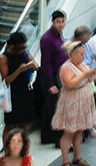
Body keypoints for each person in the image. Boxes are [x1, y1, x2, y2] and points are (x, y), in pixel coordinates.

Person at [52, 40, 96, 166]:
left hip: (84, 100)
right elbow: (69, 83)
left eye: (83, 54)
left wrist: (94, 75)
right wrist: (85, 74)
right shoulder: (66, 67)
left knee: (79, 130)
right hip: (72, 101)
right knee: (69, 131)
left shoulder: (83, 64)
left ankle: (77, 157)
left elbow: (88, 78)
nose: (82, 57)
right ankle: (65, 161)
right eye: (80, 54)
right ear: (72, 54)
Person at [0, 32, 37, 142]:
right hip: (12, 93)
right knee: (10, 124)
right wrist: (19, 70)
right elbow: (6, 80)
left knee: (23, 123)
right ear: (13, 46)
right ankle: (7, 150)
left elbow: (35, 66)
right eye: (20, 47)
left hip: (24, 90)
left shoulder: (24, 52)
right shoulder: (4, 58)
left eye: (24, 46)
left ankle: (22, 148)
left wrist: (30, 60)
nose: (22, 49)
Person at [39, 10, 67, 145]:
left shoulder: (58, 36)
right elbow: (47, 63)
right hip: (51, 76)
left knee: (50, 107)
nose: (60, 24)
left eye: (62, 22)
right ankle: (57, 138)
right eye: (58, 22)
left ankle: (46, 135)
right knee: (54, 108)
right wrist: (50, 83)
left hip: (58, 75)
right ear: (52, 22)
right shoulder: (47, 39)